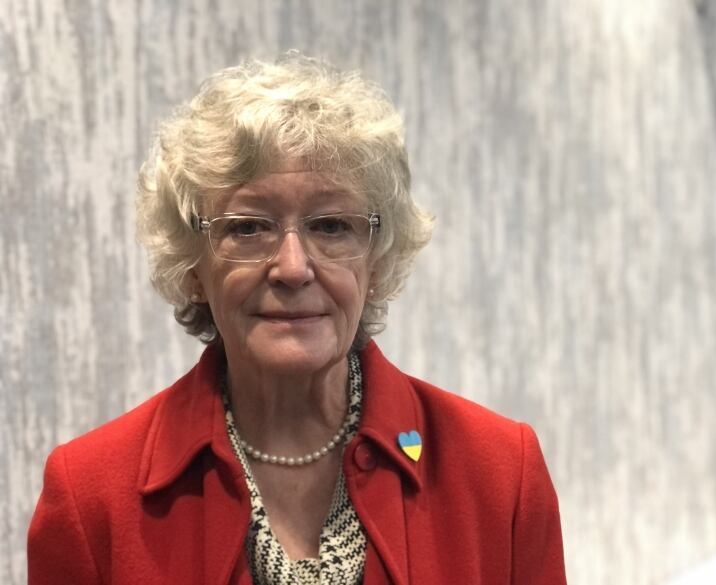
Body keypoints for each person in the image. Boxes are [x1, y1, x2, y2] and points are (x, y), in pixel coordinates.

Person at [28, 52, 566, 584]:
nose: (292, 267)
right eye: (247, 227)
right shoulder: (90, 496)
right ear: (194, 265)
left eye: (331, 227)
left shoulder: (501, 475)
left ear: (376, 261)